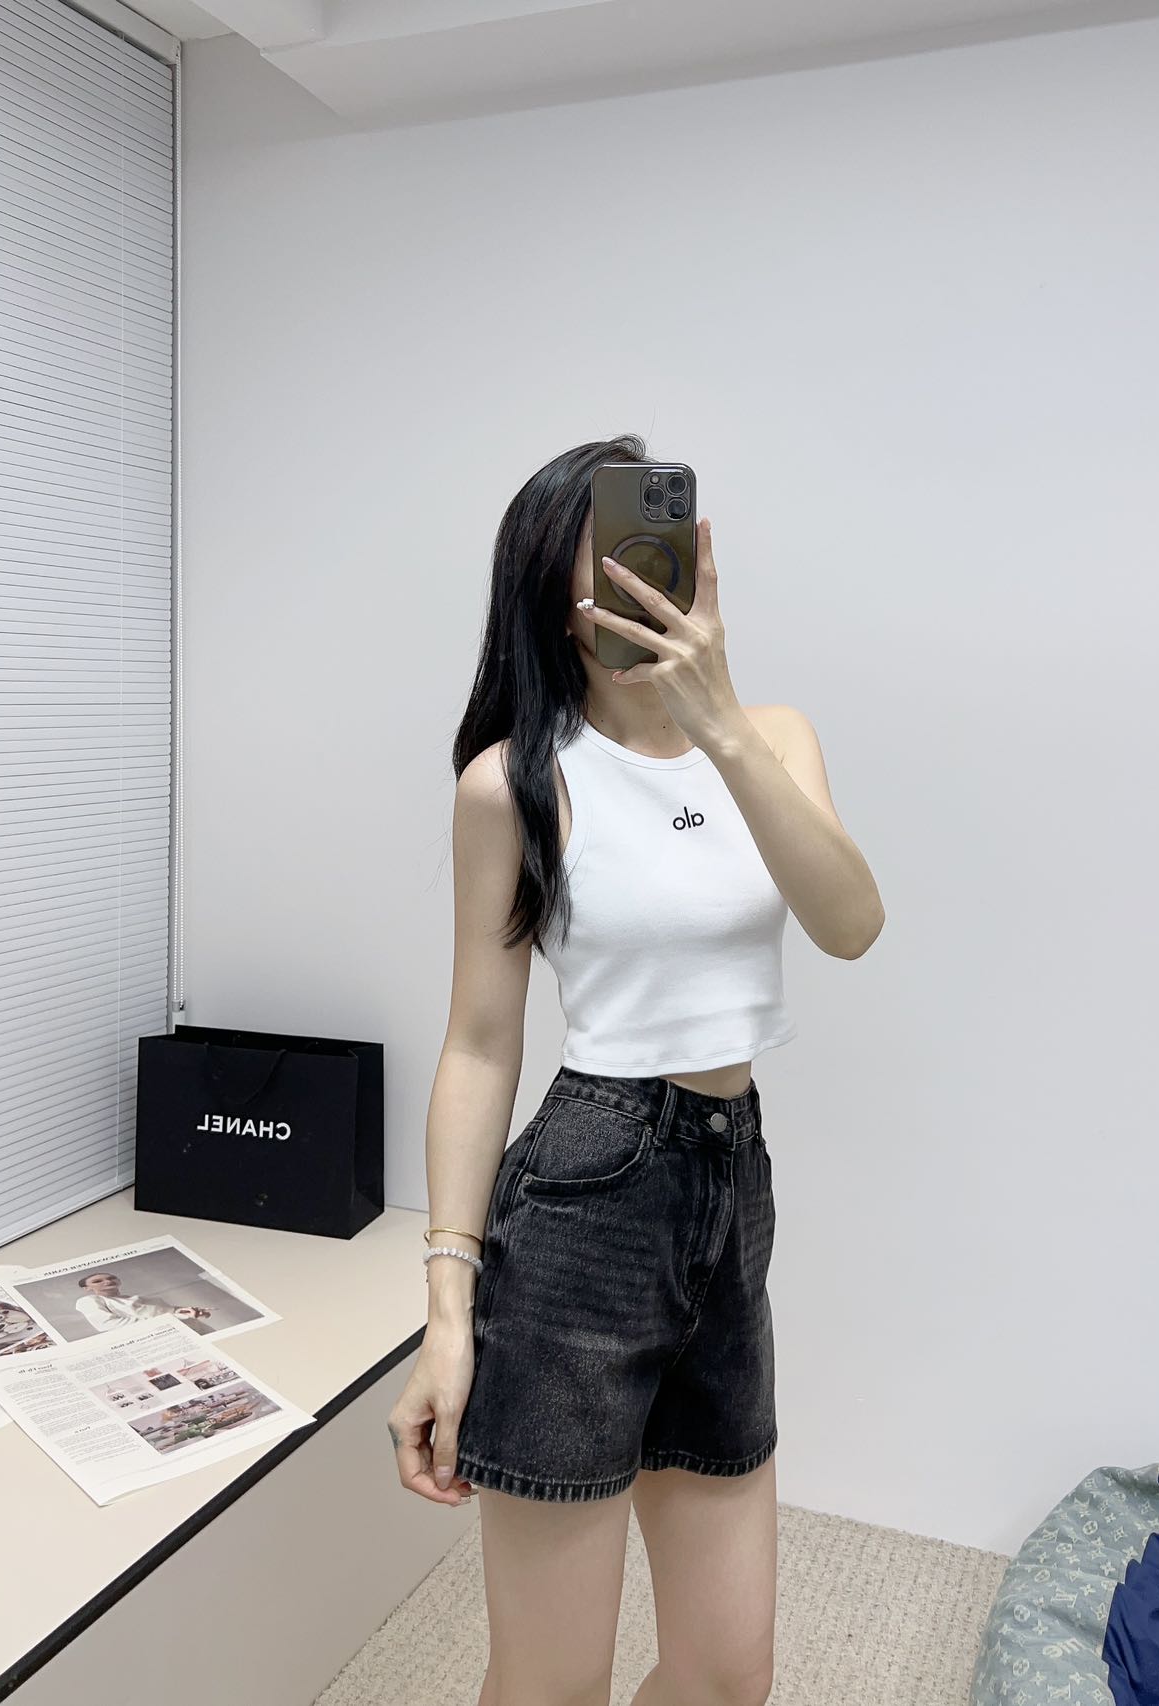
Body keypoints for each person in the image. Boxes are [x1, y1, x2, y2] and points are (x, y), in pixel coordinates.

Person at [387, 434, 884, 1705]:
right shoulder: (513, 782)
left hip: (731, 1190)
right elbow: (478, 1042)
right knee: (551, 1683)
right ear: (551, 596)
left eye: (647, 548)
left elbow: (849, 923)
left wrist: (717, 723)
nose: (630, 580)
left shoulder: (771, 738)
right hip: (584, 1201)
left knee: (729, 1674)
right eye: (598, 560)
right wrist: (446, 1313)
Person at [75, 1270, 213, 1333]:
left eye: (111, 1278)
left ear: (119, 1281)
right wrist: (176, 1318)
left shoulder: (142, 1298)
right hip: (163, 1336)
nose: (107, 1281)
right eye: (97, 1281)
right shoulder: (89, 1301)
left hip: (196, 1329)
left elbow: (169, 1310)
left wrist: (189, 1311)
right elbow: (109, 1324)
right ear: (87, 1288)